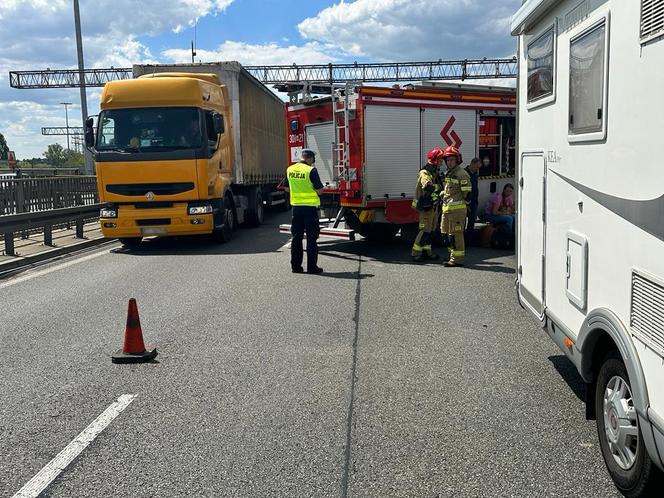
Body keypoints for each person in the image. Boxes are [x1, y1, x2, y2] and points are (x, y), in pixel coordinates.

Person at [284, 149, 325, 274]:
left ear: (302, 157)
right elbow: (320, 191)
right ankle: (312, 267)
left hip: (296, 208)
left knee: (296, 237)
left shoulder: (290, 169)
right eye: (313, 159)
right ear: (310, 158)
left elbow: (286, 188)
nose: (313, 162)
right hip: (310, 209)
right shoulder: (311, 170)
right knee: (312, 238)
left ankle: (296, 267)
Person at [440, 146, 472, 267]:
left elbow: (467, 194)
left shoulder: (462, 174)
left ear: (457, 160)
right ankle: (452, 255)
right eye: (448, 160)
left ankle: (457, 260)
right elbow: (448, 190)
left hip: (457, 211)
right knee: (445, 233)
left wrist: (465, 208)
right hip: (447, 210)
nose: (449, 162)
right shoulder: (450, 173)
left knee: (456, 235)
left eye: (452, 160)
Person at [411, 147, 444, 262]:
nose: (441, 162)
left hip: (433, 207)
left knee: (431, 231)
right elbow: (427, 186)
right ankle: (415, 253)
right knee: (424, 230)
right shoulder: (424, 173)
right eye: (440, 160)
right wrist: (439, 187)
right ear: (435, 160)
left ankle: (427, 252)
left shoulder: (434, 172)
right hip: (426, 207)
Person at [464, 157, 481, 243]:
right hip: (466, 202)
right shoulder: (464, 173)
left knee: (472, 221)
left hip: (474, 201)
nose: (477, 169)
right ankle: (462, 240)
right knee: (462, 222)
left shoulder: (475, 174)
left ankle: (469, 240)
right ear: (472, 164)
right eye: (477, 167)